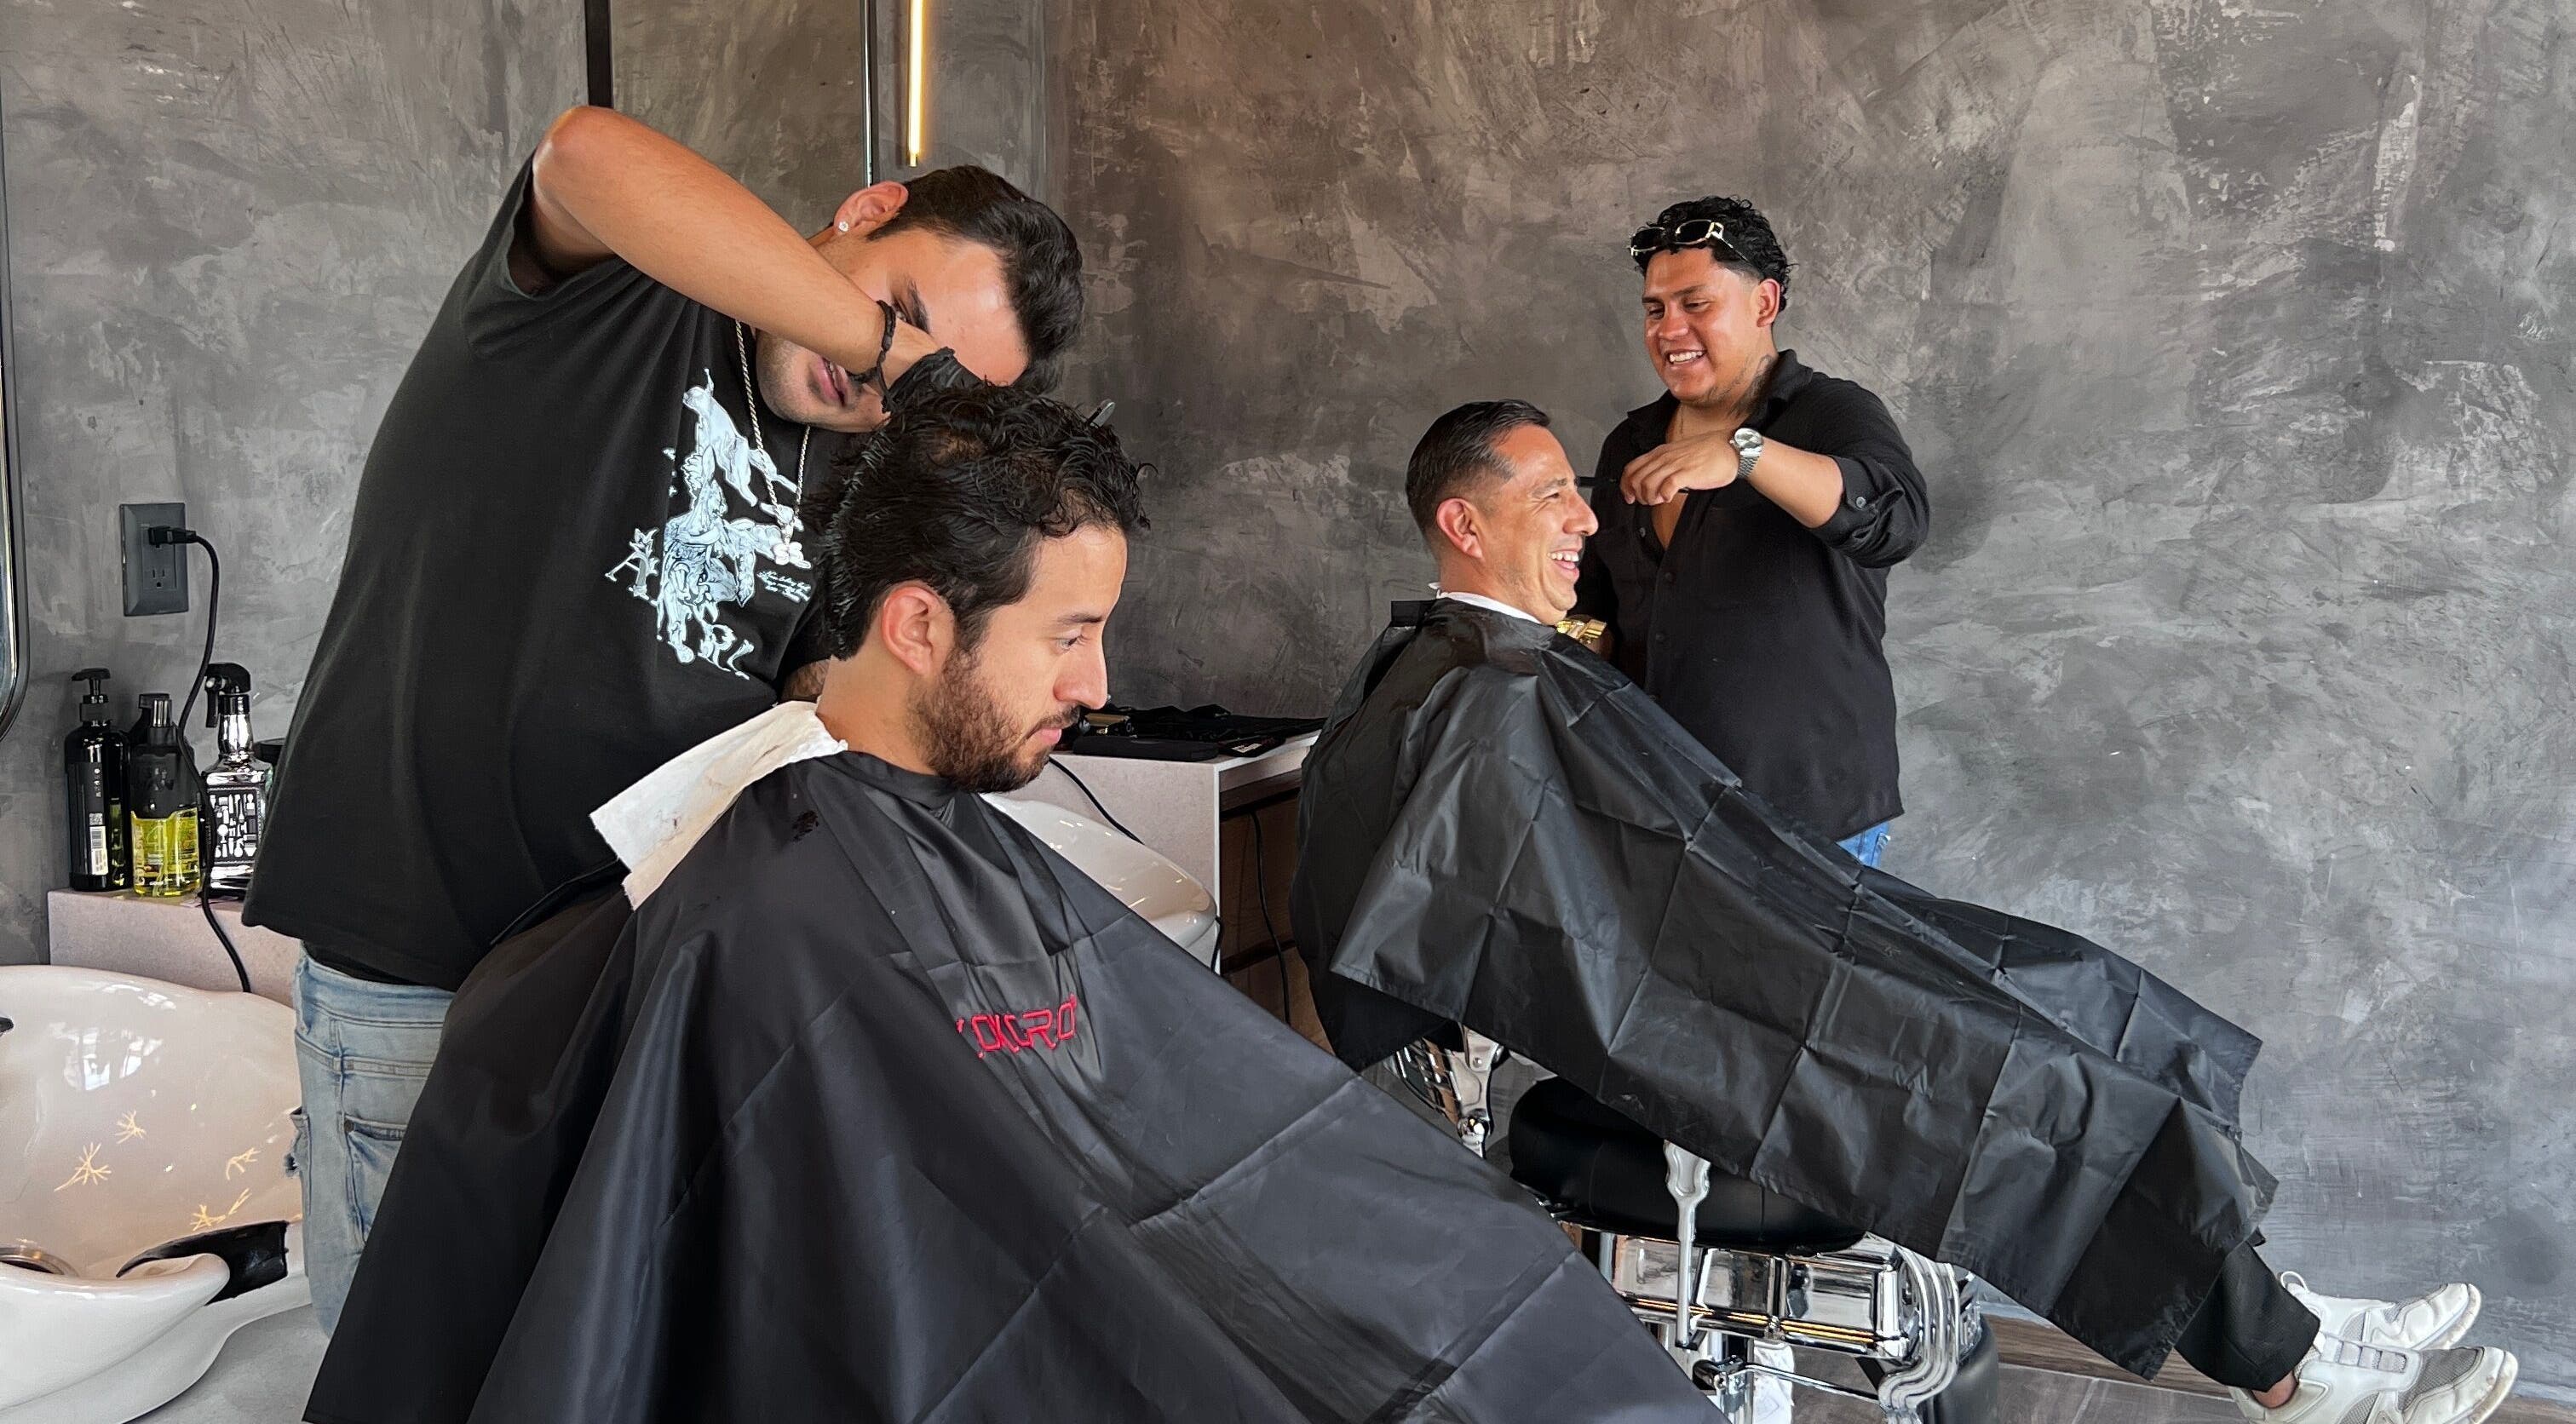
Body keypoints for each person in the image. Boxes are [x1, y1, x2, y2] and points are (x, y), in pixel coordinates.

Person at [302, 387, 1711, 1424]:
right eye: (1067, 635)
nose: (1093, 687)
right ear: (920, 623)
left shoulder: (873, 840)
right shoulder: (770, 901)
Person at [1291, 400, 2519, 1424]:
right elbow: (1547, 944)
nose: (1587, 518)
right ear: (1464, 521)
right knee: (2032, 1075)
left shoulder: (1494, 671)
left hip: (1743, 971)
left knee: (2068, 986)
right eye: (1553, 494)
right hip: (1690, 1039)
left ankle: (2294, 1315)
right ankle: (2294, 1371)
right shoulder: (1472, 703)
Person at [242, 105, 1084, 1329]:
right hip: (421, 977)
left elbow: (800, 713)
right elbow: (583, 154)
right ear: (864, 213)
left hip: (628, 1004)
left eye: (928, 385)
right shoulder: (617, 297)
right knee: (414, 1375)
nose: (881, 377)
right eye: (904, 308)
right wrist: (894, 353)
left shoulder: (849, 482)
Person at [1573, 197, 1928, 868]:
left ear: (1765, 304)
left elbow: (1899, 521)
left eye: (1696, 304)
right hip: (1662, 812)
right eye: (1655, 309)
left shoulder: (1831, 413)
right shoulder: (1630, 442)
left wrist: (1746, 454)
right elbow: (1596, 606)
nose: (1669, 328)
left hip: (1811, 823)